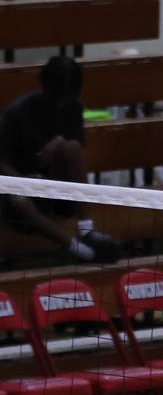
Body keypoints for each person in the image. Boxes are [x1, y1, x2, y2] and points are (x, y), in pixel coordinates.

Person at [0, 56, 119, 264]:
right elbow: (2, 164)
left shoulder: (74, 107)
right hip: (20, 192)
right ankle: (80, 251)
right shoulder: (15, 113)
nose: (62, 103)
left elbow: (76, 149)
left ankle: (86, 229)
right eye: (57, 97)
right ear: (44, 86)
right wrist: (25, 181)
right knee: (17, 196)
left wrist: (58, 142)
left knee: (71, 147)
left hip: (56, 190)